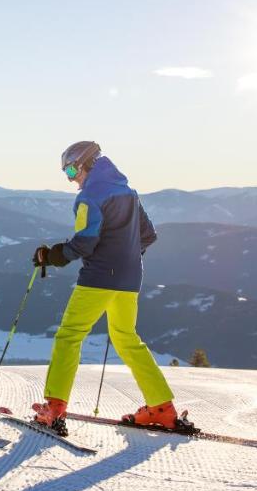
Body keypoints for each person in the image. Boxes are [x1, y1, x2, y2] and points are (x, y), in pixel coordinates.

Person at [31, 141, 186, 434]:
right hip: (129, 280)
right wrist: (124, 257)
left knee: (69, 337)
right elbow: (148, 236)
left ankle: (54, 408)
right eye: (66, 171)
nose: (71, 177)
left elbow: (84, 242)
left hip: (98, 279)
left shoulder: (90, 197)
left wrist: (52, 256)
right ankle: (162, 408)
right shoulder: (128, 192)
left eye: (72, 168)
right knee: (127, 338)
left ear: (88, 163)